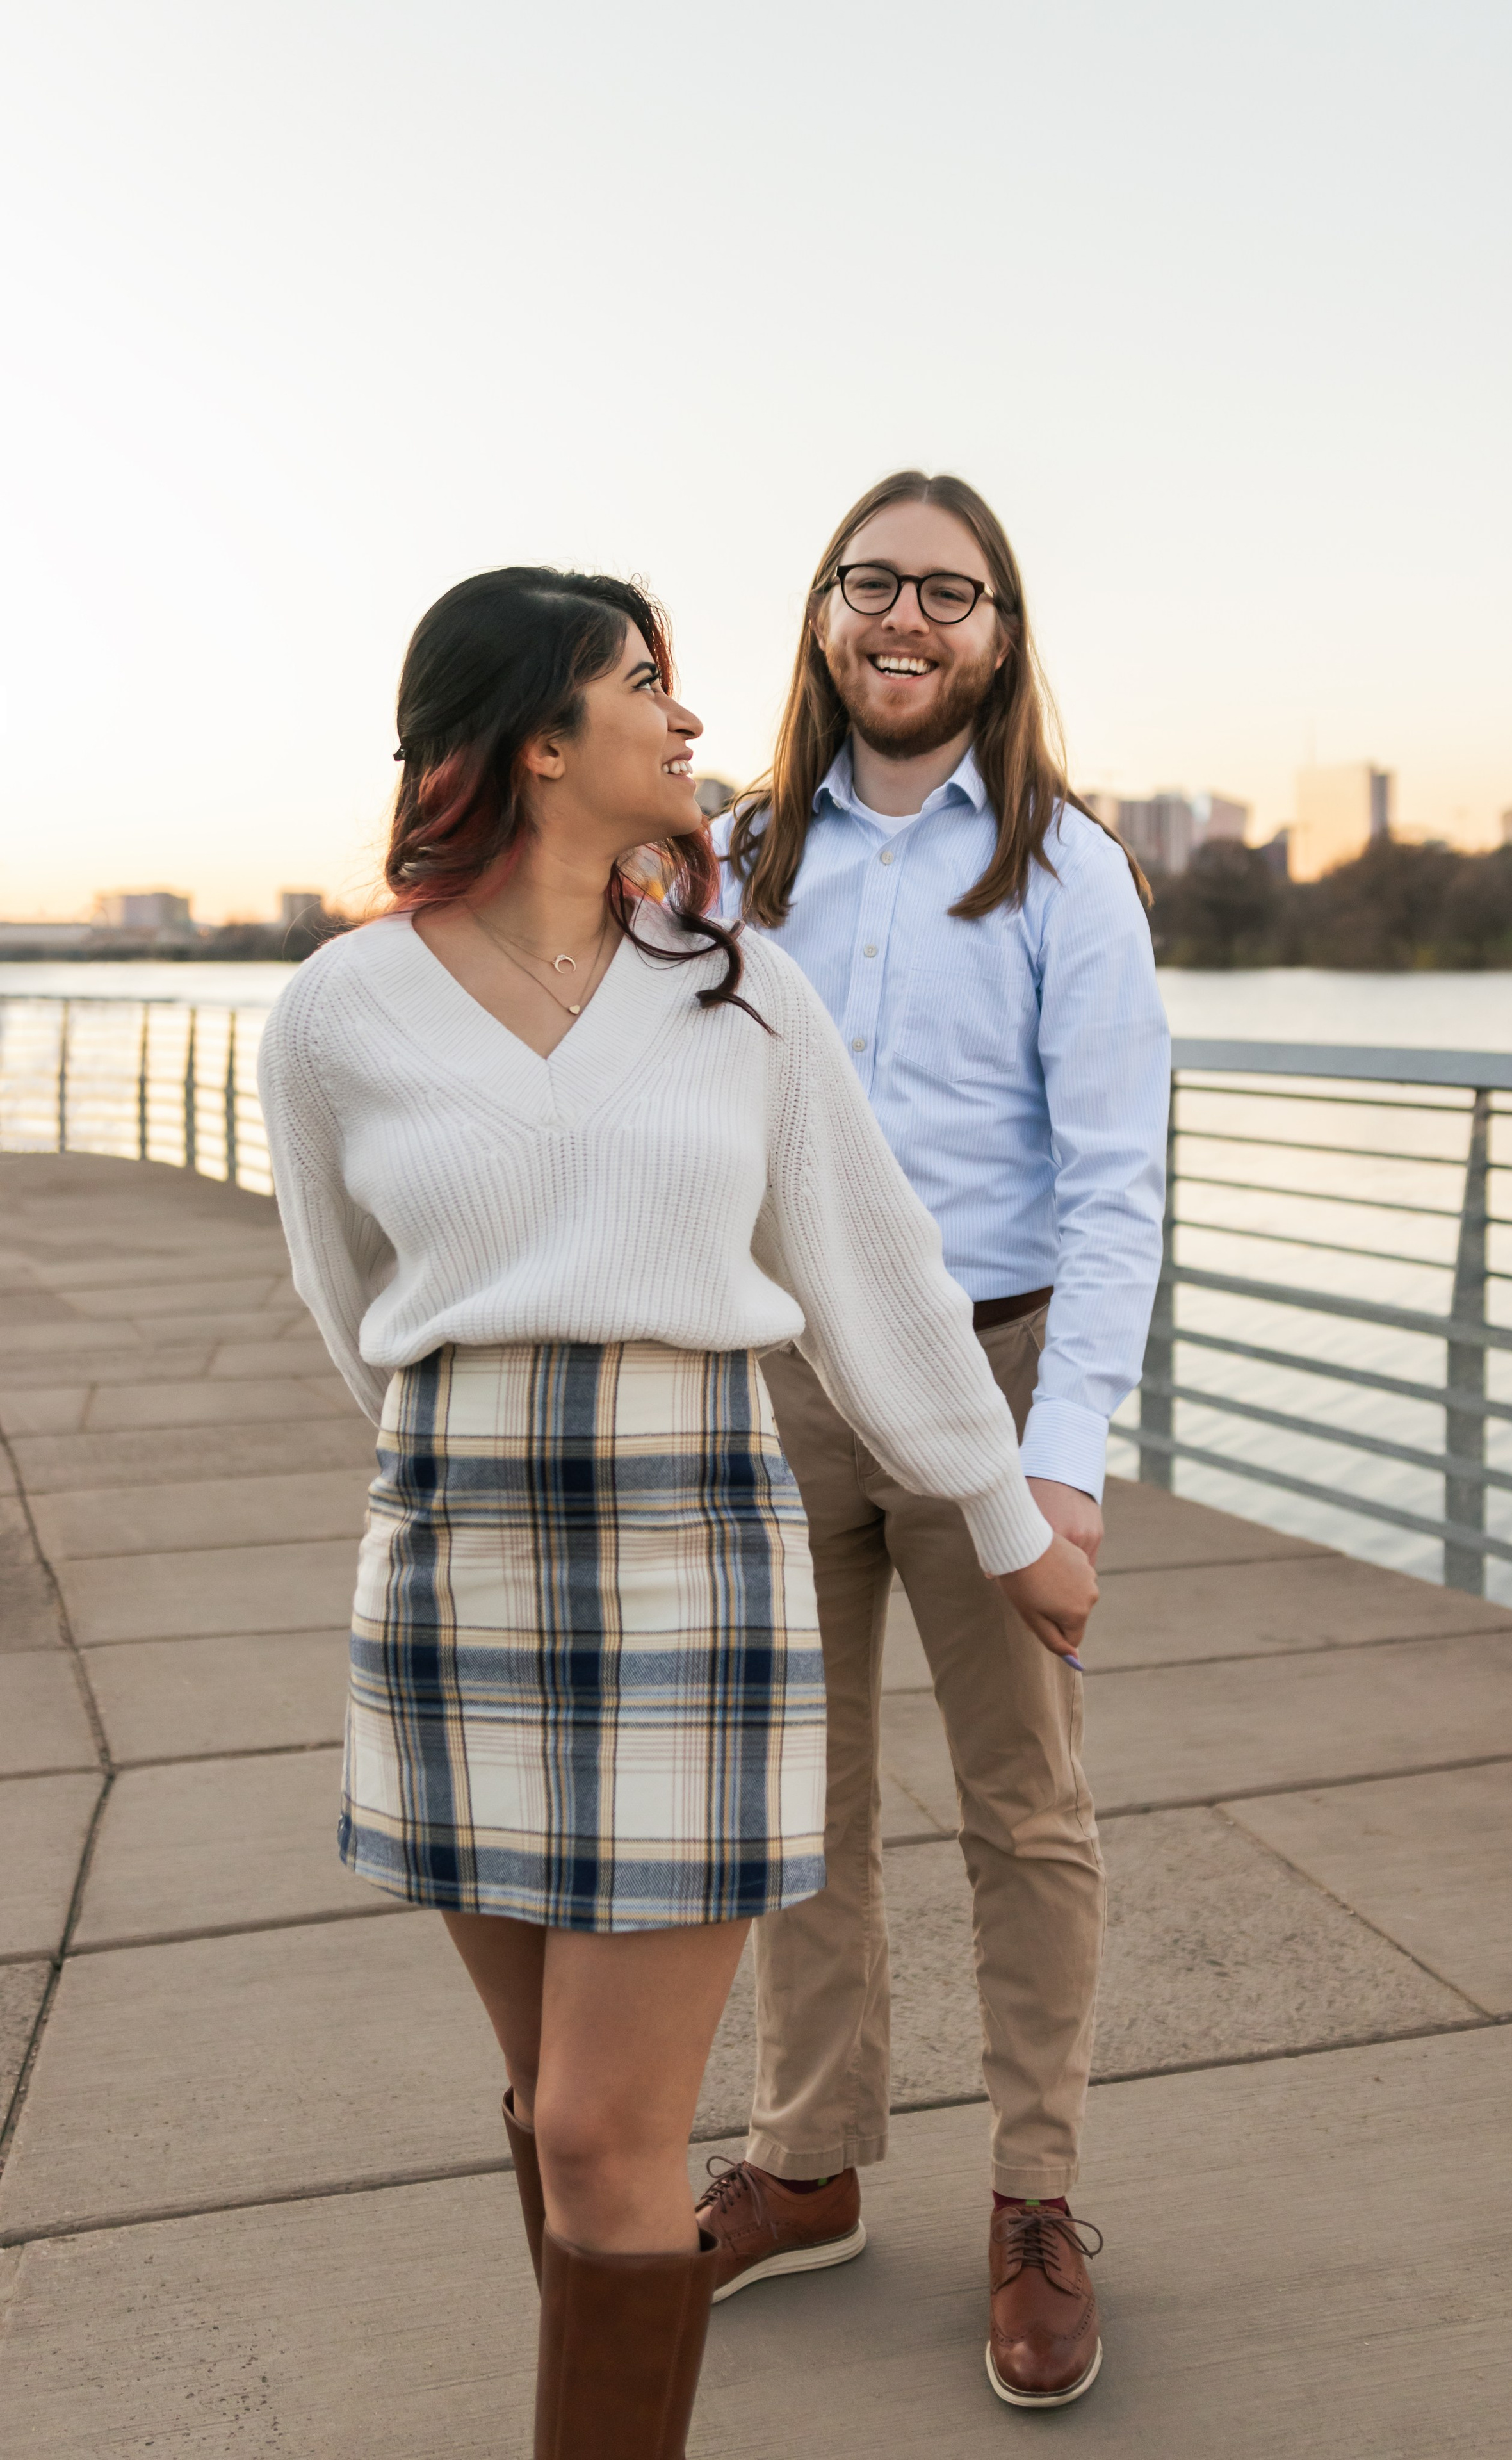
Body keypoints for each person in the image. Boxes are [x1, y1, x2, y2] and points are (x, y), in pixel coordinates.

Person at [256, 565, 1095, 2460]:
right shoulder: (333, 1017)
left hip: (694, 1565)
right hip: (454, 1575)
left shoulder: (740, 991)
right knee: (554, 2101)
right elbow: (351, 1306)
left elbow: (878, 1271)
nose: (691, 718)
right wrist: (459, 1477)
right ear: (543, 742)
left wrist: (1003, 1508)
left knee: (597, 2129)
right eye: (649, 683)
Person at [702, 475, 1170, 2410]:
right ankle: (809, 2158)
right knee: (797, 1801)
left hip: (990, 1377)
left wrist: (1057, 1466)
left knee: (1024, 1810)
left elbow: (1120, 1188)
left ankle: (1039, 2198)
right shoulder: (732, 858)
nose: (909, 615)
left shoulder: (1072, 871)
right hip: (790, 1382)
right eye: (873, 579)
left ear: (1000, 630)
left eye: (949, 589)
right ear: (823, 616)